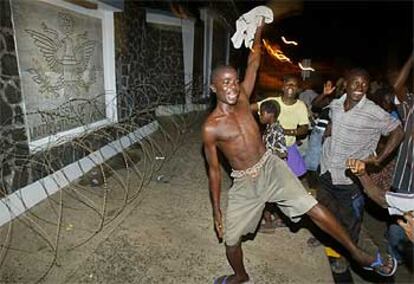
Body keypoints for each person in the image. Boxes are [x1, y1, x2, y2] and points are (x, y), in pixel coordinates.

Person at [202, 21, 397, 284]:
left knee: (311, 206)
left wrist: (259, 27)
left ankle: (357, 253)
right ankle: (240, 275)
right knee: (231, 239)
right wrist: (216, 210)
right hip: (244, 181)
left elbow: (254, 62)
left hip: (270, 166)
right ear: (213, 88)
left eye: (234, 81)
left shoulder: (244, 97)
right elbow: (214, 171)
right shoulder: (211, 128)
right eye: (225, 83)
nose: (233, 87)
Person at [311, 68, 404, 272]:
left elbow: (398, 130)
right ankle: (327, 240)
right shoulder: (337, 102)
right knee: (325, 211)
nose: (360, 87)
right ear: (346, 84)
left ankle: (346, 255)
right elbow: (317, 107)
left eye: (364, 84)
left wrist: (379, 159)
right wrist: (325, 96)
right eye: (355, 82)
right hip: (327, 169)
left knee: (350, 222)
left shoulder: (372, 111)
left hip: (349, 178)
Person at [252, 75, 309, 178]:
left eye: (294, 85)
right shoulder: (273, 102)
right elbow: (252, 108)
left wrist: (285, 132)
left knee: (294, 177)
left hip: (288, 146)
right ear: (283, 87)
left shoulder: (300, 106)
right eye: (288, 84)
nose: (291, 86)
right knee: (268, 176)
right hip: (270, 147)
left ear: (298, 90)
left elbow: (304, 129)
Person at [258, 100, 288, 232]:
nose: (260, 115)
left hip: (274, 169)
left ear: (270, 114)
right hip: (269, 168)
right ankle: (279, 219)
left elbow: (282, 152)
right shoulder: (270, 127)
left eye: (261, 113)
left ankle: (269, 223)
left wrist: (267, 154)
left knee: (265, 197)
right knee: (271, 197)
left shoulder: (277, 129)